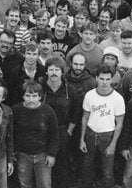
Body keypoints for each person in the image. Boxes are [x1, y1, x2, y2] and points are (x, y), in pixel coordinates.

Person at [80, 64, 125, 188]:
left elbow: (119, 124)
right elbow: (85, 117)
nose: (104, 82)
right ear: (96, 78)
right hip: (90, 134)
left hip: (107, 137)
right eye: (101, 79)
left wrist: (113, 144)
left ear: (111, 79)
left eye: (107, 79)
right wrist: (82, 139)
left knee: (108, 172)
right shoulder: (89, 95)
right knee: (87, 167)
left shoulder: (118, 98)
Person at [41, 57, 79, 188]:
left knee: (63, 163)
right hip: (43, 132)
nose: (54, 73)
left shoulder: (70, 90)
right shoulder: (40, 89)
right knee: (45, 162)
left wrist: (69, 131)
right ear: (46, 72)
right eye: (50, 69)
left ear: (62, 72)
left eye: (57, 70)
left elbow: (75, 112)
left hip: (62, 131)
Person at [13, 80, 59, 188]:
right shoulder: (16, 111)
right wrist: (13, 152)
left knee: (44, 184)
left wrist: (52, 154)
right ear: (23, 96)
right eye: (28, 96)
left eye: (34, 96)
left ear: (40, 97)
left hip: (43, 154)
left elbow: (54, 134)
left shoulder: (48, 111)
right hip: (23, 154)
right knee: (24, 184)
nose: (31, 99)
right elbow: (11, 133)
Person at [5, 41, 44, 106]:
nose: (31, 57)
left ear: (38, 56)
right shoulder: (15, 71)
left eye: (34, 54)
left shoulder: (42, 70)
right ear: (24, 54)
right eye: (28, 54)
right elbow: (11, 93)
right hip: (19, 105)